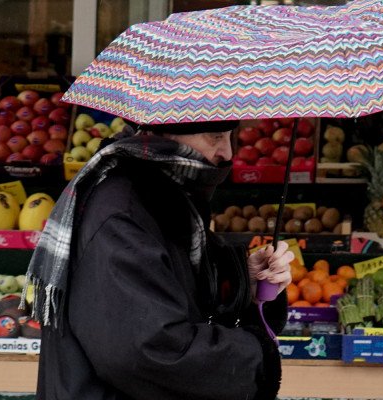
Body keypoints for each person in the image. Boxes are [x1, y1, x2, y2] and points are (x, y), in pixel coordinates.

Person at [23, 120, 294, 400]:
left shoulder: (161, 194)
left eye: (229, 137)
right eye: (215, 137)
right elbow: (149, 351)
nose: (226, 152)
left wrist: (242, 283)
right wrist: (257, 359)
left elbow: (178, 287)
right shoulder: (123, 214)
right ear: (166, 133)